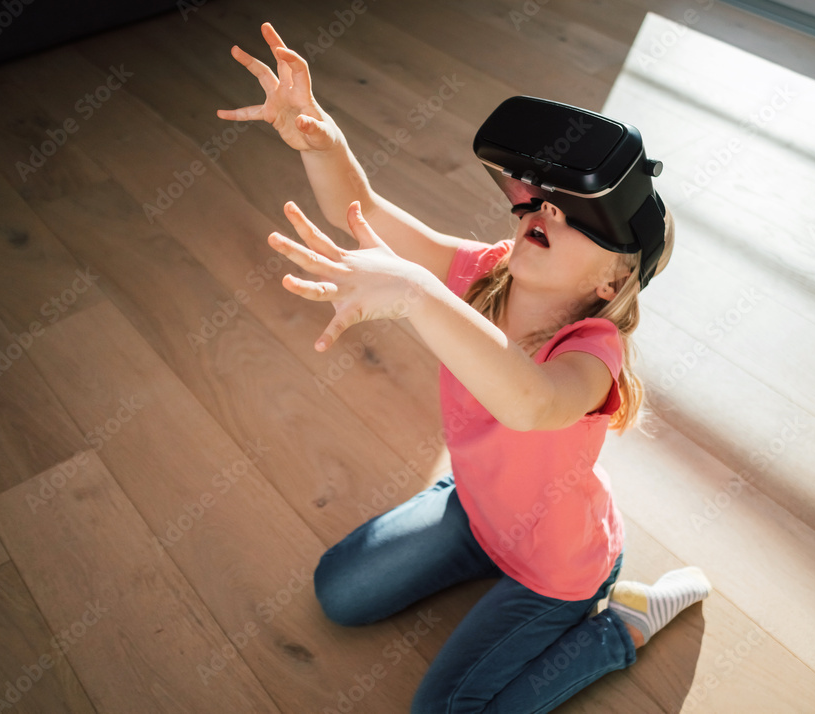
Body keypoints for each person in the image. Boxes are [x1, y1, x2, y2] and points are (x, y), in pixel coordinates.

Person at [219, 22, 711, 714]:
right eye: (539, 198)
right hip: (478, 513)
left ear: (609, 283)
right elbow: (361, 213)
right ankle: (474, 512)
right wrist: (322, 140)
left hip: (558, 571)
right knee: (339, 592)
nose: (543, 209)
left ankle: (618, 630)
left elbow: (531, 405)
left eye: (574, 214)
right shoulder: (483, 274)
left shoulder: (593, 351)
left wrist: (417, 294)